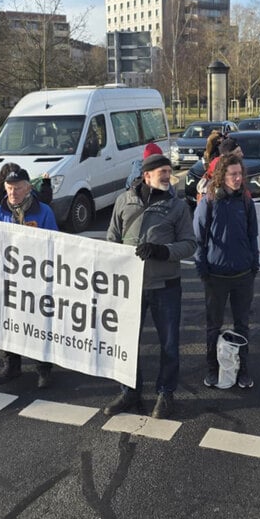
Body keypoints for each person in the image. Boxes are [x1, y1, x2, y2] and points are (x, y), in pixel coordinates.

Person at [103, 153, 196, 419]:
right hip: (130, 287)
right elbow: (112, 238)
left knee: (169, 344)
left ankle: (166, 393)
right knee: (127, 342)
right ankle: (129, 390)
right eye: (162, 172)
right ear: (146, 175)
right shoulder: (124, 201)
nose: (168, 176)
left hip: (165, 285)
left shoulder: (177, 207)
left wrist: (162, 251)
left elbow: (190, 244)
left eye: (169, 171)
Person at [0, 168, 59, 386]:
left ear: (28, 188)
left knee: (38, 323)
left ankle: (43, 368)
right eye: (9, 188)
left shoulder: (43, 212)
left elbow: (56, 242)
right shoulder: (1, 211)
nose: (12, 193)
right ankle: (11, 366)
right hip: (9, 278)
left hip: (36, 277)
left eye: (17, 188)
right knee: (9, 322)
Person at [194, 154, 260, 389]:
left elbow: (252, 235)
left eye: (240, 173)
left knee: (242, 325)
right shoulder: (209, 202)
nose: (237, 178)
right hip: (216, 276)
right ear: (222, 176)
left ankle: (243, 370)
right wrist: (202, 268)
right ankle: (213, 368)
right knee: (214, 326)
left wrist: (254, 263)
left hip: (243, 275)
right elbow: (199, 238)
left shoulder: (246, 202)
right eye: (233, 174)